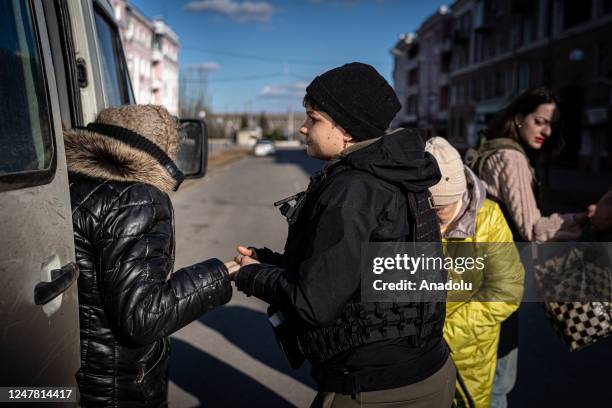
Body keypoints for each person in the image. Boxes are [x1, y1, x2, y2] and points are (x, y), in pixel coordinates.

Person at [231, 62, 456, 408]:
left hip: (373, 391)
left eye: (313, 118)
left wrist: (251, 276)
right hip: (428, 372)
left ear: (347, 130)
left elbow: (313, 303)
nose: (304, 128)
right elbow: (355, 273)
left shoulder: (354, 190)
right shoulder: (397, 175)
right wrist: (269, 263)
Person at [64, 105, 234, 407]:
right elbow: (142, 317)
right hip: (115, 387)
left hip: (73, 373)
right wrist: (220, 273)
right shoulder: (136, 198)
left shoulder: (71, 183)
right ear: (160, 153)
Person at [467, 87, 590, 408]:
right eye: (540, 121)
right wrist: (581, 218)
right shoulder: (511, 158)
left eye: (552, 124)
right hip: (498, 278)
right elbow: (533, 228)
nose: (546, 131)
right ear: (519, 118)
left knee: (480, 368)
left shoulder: (488, 150)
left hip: (476, 271)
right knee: (498, 379)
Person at [425, 137, 524, 408]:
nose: (436, 216)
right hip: (420, 355)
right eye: (429, 207)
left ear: (460, 191)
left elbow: (507, 290)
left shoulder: (489, 217)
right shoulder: (413, 215)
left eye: (443, 207)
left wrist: (444, 333)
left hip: (470, 348)